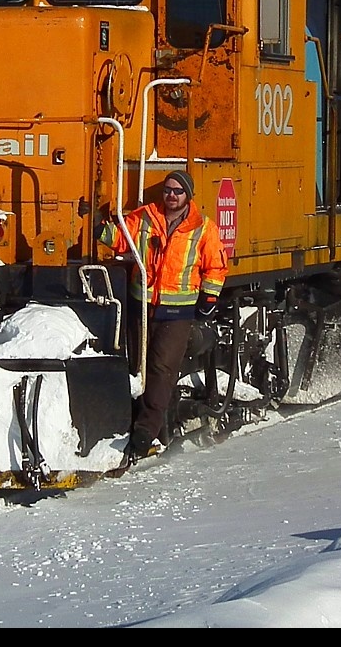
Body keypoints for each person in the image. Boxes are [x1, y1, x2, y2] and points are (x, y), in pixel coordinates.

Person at [97, 170, 228, 462]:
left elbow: (215, 265)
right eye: (168, 189)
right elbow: (121, 239)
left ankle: (145, 433)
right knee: (138, 366)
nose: (171, 195)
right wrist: (96, 225)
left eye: (178, 191)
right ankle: (131, 424)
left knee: (161, 369)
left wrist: (209, 298)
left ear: (188, 196)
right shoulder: (145, 217)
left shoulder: (203, 227)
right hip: (142, 306)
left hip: (177, 313)